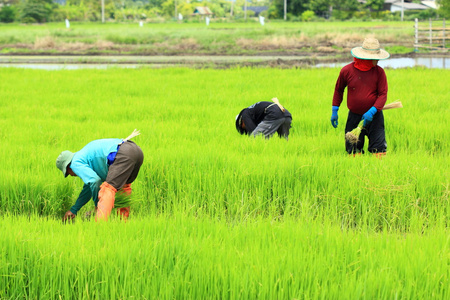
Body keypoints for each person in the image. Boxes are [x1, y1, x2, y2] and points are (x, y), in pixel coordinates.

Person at [56, 130, 144, 222]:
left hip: (123, 153)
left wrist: (97, 205)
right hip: (136, 151)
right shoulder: (84, 156)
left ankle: (100, 226)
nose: (71, 175)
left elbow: (94, 181)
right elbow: (88, 188)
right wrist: (74, 210)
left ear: (68, 166)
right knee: (123, 188)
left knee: (107, 189)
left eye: (68, 173)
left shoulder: (75, 163)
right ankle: (122, 223)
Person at [331, 37, 390, 157]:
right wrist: (335, 110)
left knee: (379, 151)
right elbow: (339, 90)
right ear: (366, 57)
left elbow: (383, 94)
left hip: (375, 117)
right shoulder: (347, 71)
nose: (377, 60)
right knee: (353, 151)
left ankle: (379, 174)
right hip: (354, 116)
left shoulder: (379, 72)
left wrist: (372, 111)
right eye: (375, 58)